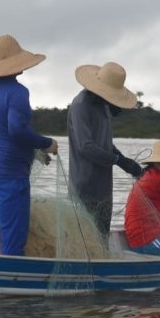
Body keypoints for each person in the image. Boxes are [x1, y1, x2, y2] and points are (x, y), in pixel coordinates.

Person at [0, 35, 59, 256]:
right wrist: (46, 143)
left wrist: (35, 149)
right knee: (13, 237)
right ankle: (13, 280)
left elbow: (0, 129)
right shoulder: (18, 92)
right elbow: (16, 130)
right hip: (9, 175)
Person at [67, 61, 142, 236]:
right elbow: (86, 147)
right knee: (85, 235)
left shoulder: (104, 106)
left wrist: (125, 162)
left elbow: (105, 143)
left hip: (103, 185)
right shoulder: (81, 106)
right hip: (83, 184)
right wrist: (117, 160)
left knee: (102, 233)